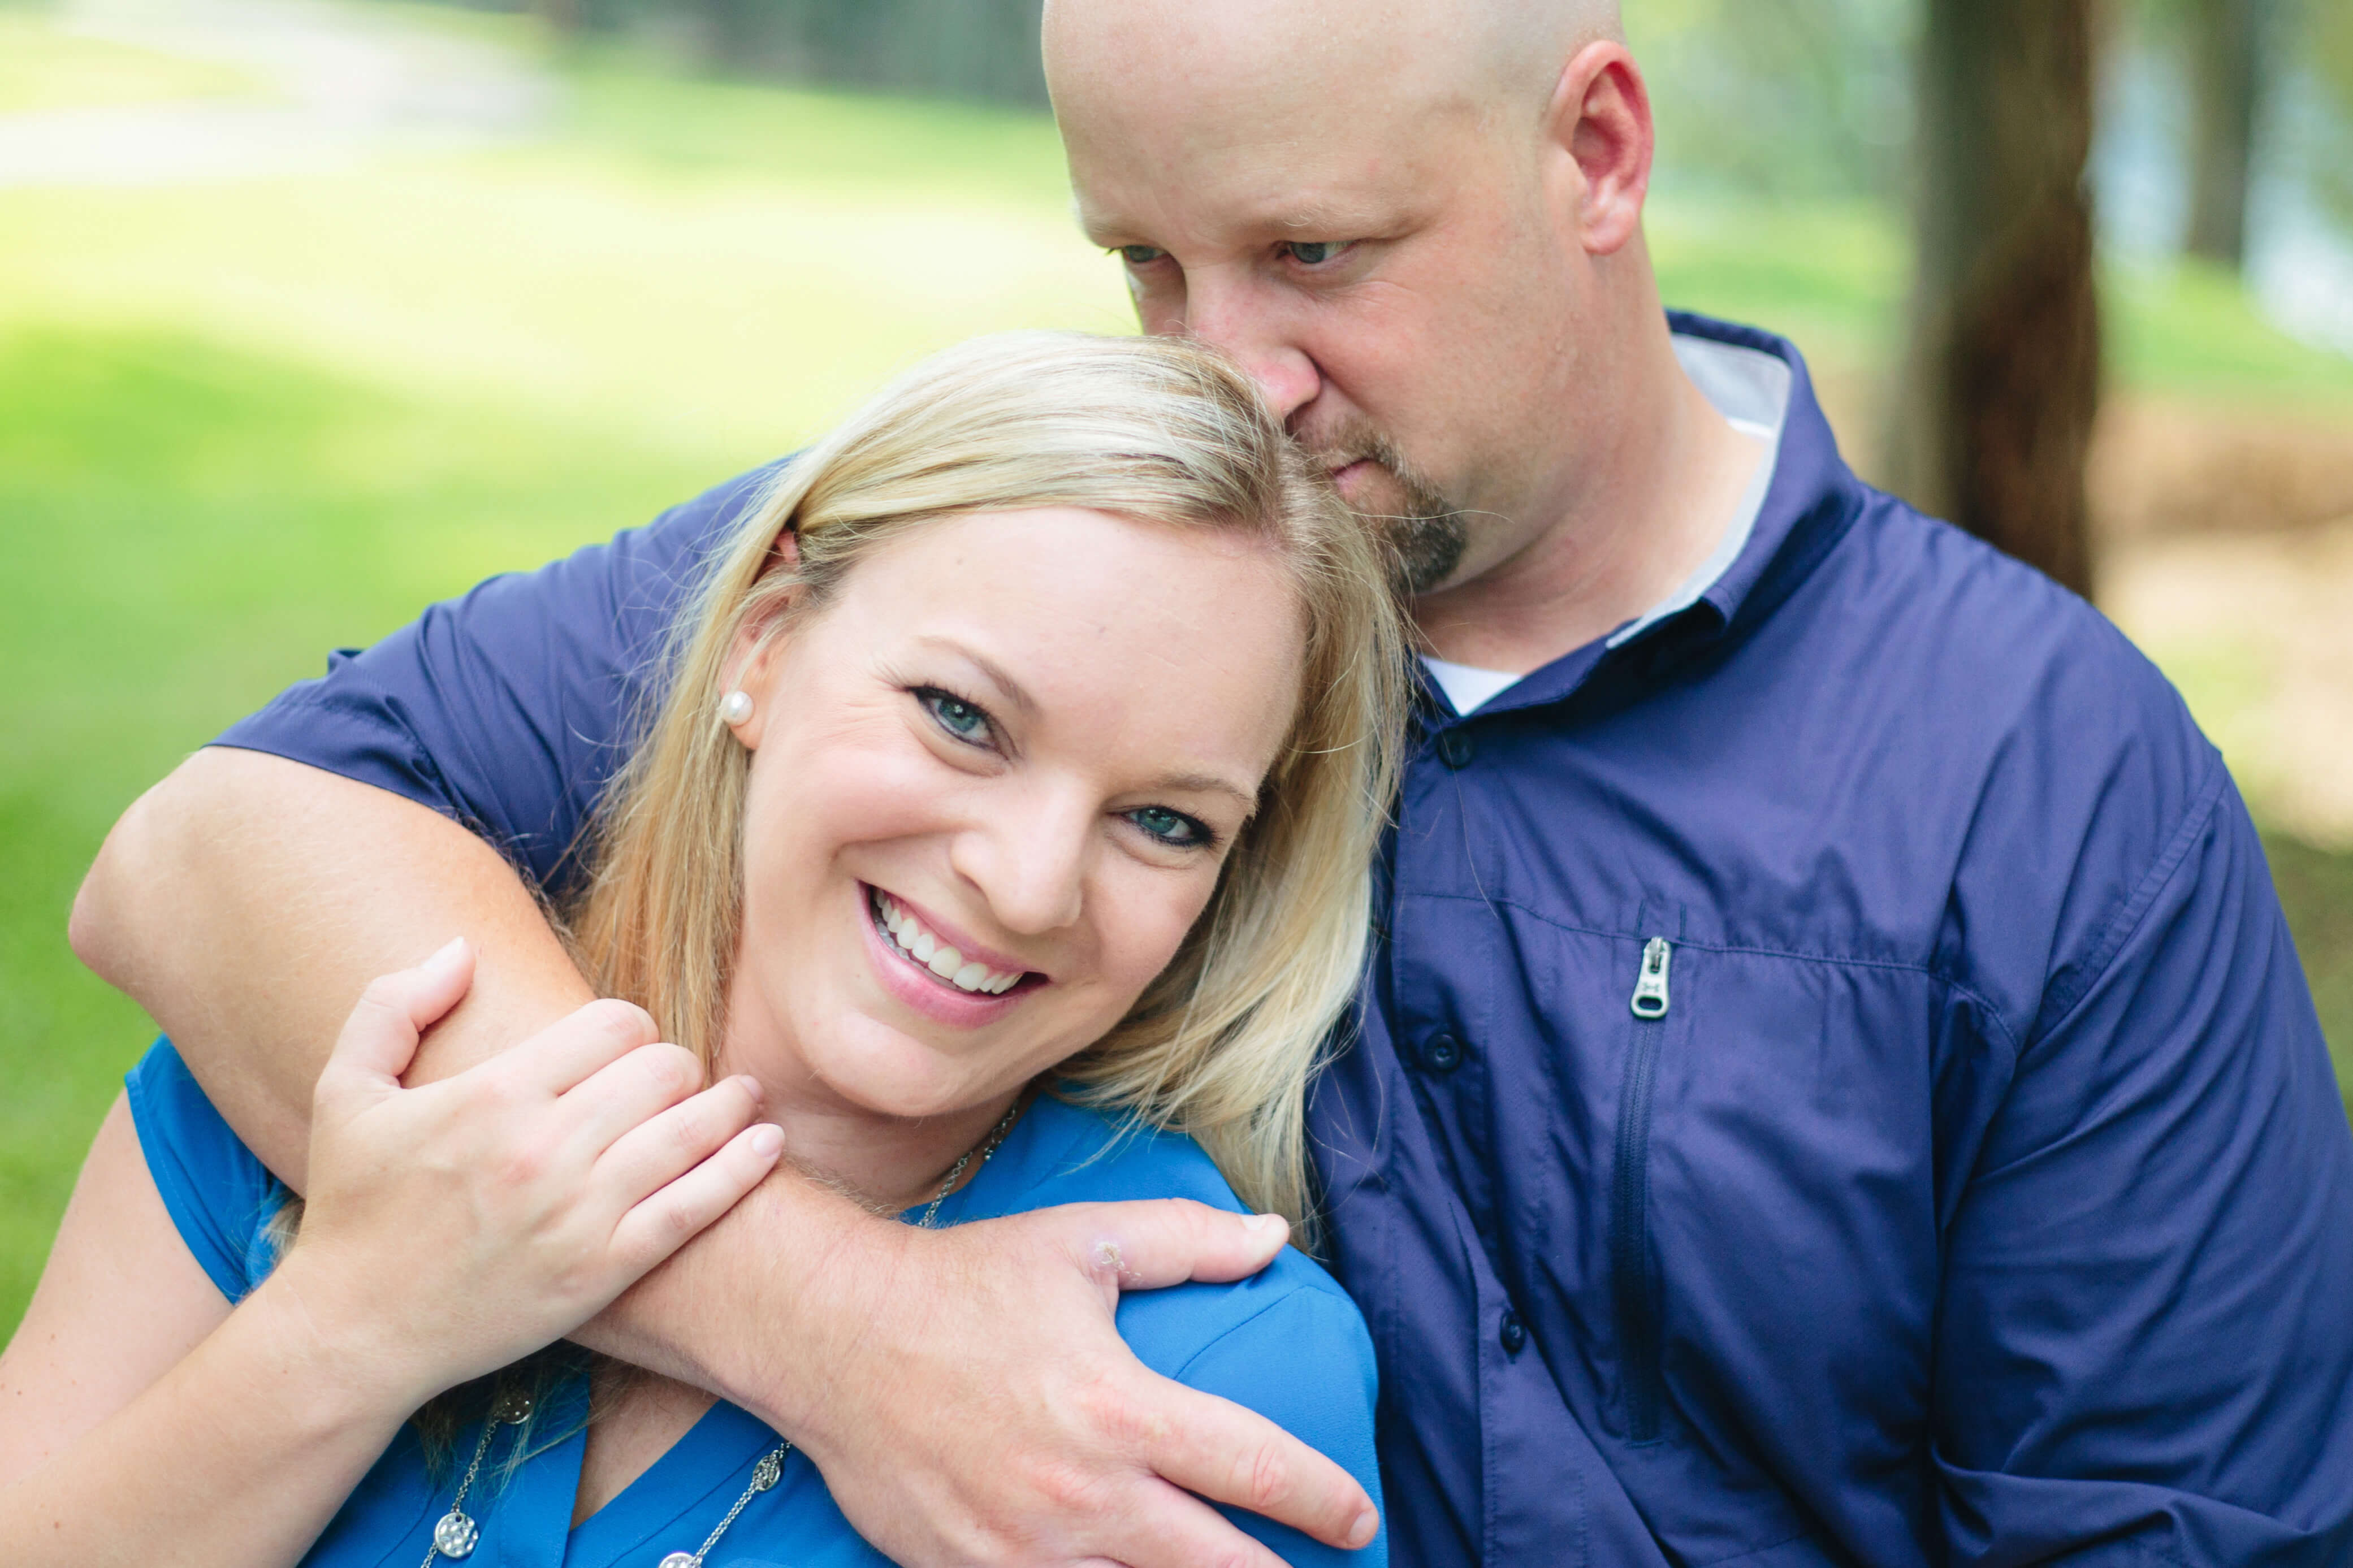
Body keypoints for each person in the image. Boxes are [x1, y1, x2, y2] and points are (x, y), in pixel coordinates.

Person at [62, 0, 2353, 1563]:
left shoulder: (2039, 789)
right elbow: (212, 850)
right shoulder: (1031, 561)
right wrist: (829, 1326)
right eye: (1144, 266)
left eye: (1311, 257)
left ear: (1594, 150)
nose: (1226, 383)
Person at [1, 333, 1407, 1565]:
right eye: (961, 717)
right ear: (765, 642)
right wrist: (356, 1325)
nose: (1029, 886)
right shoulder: (349, 1044)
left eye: (1162, 820)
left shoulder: (1197, 1375)